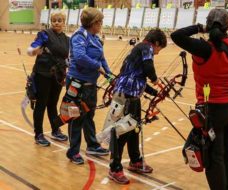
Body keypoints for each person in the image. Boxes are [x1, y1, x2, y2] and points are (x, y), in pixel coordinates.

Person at [171, 8, 228, 190]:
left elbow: (177, 35)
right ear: (227, 26)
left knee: (215, 157)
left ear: (208, 24)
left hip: (213, 111)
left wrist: (199, 27)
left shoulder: (203, 48)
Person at [102, 29, 167, 184]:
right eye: (159, 49)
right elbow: (148, 69)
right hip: (126, 97)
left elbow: (138, 77)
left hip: (130, 95)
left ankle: (135, 161)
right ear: (156, 43)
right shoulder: (146, 48)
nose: (157, 53)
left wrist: (156, 92)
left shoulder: (137, 51)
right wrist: (157, 81)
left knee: (134, 129)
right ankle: (114, 168)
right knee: (122, 132)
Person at [65, 7, 111, 165]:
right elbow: (79, 57)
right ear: (93, 23)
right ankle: (73, 152)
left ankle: (92, 145)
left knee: (89, 114)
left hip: (90, 83)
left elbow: (102, 57)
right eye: (100, 22)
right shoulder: (79, 36)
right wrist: (97, 67)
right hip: (77, 82)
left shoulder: (95, 38)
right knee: (76, 117)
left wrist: (109, 72)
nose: (101, 25)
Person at [27, 11, 69, 146]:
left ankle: (55, 130)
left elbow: (67, 57)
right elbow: (33, 47)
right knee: (41, 104)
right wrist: (33, 50)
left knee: (52, 104)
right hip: (43, 74)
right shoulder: (44, 34)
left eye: (59, 20)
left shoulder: (67, 39)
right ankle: (38, 134)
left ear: (64, 22)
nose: (56, 22)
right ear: (51, 22)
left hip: (58, 75)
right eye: (54, 20)